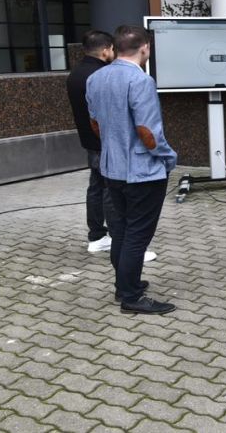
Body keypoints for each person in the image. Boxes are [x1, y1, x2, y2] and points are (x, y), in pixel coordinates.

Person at [86, 25, 177, 315]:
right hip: (142, 171)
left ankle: (125, 286)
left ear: (115, 48)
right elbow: (147, 131)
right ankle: (131, 297)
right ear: (145, 48)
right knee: (137, 234)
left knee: (122, 230)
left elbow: (95, 124)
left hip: (111, 167)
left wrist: (113, 146)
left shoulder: (95, 78)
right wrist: (168, 157)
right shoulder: (141, 81)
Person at [66, 30, 119, 254]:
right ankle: (118, 240)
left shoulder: (75, 73)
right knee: (111, 191)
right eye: (113, 49)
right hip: (105, 141)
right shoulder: (101, 76)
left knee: (96, 188)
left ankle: (97, 236)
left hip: (89, 141)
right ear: (106, 50)